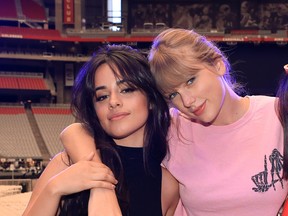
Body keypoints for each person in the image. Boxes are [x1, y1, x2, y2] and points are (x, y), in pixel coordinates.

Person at [62, 28, 288, 215]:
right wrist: (101, 188)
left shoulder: (278, 114)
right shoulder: (175, 127)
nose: (187, 101)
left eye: (190, 80)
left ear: (218, 64)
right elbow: (76, 132)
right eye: (172, 94)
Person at [23, 44, 179, 216]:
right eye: (102, 97)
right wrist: (54, 189)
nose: (113, 102)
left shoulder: (167, 185)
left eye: (126, 90)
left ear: (151, 99)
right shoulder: (67, 163)